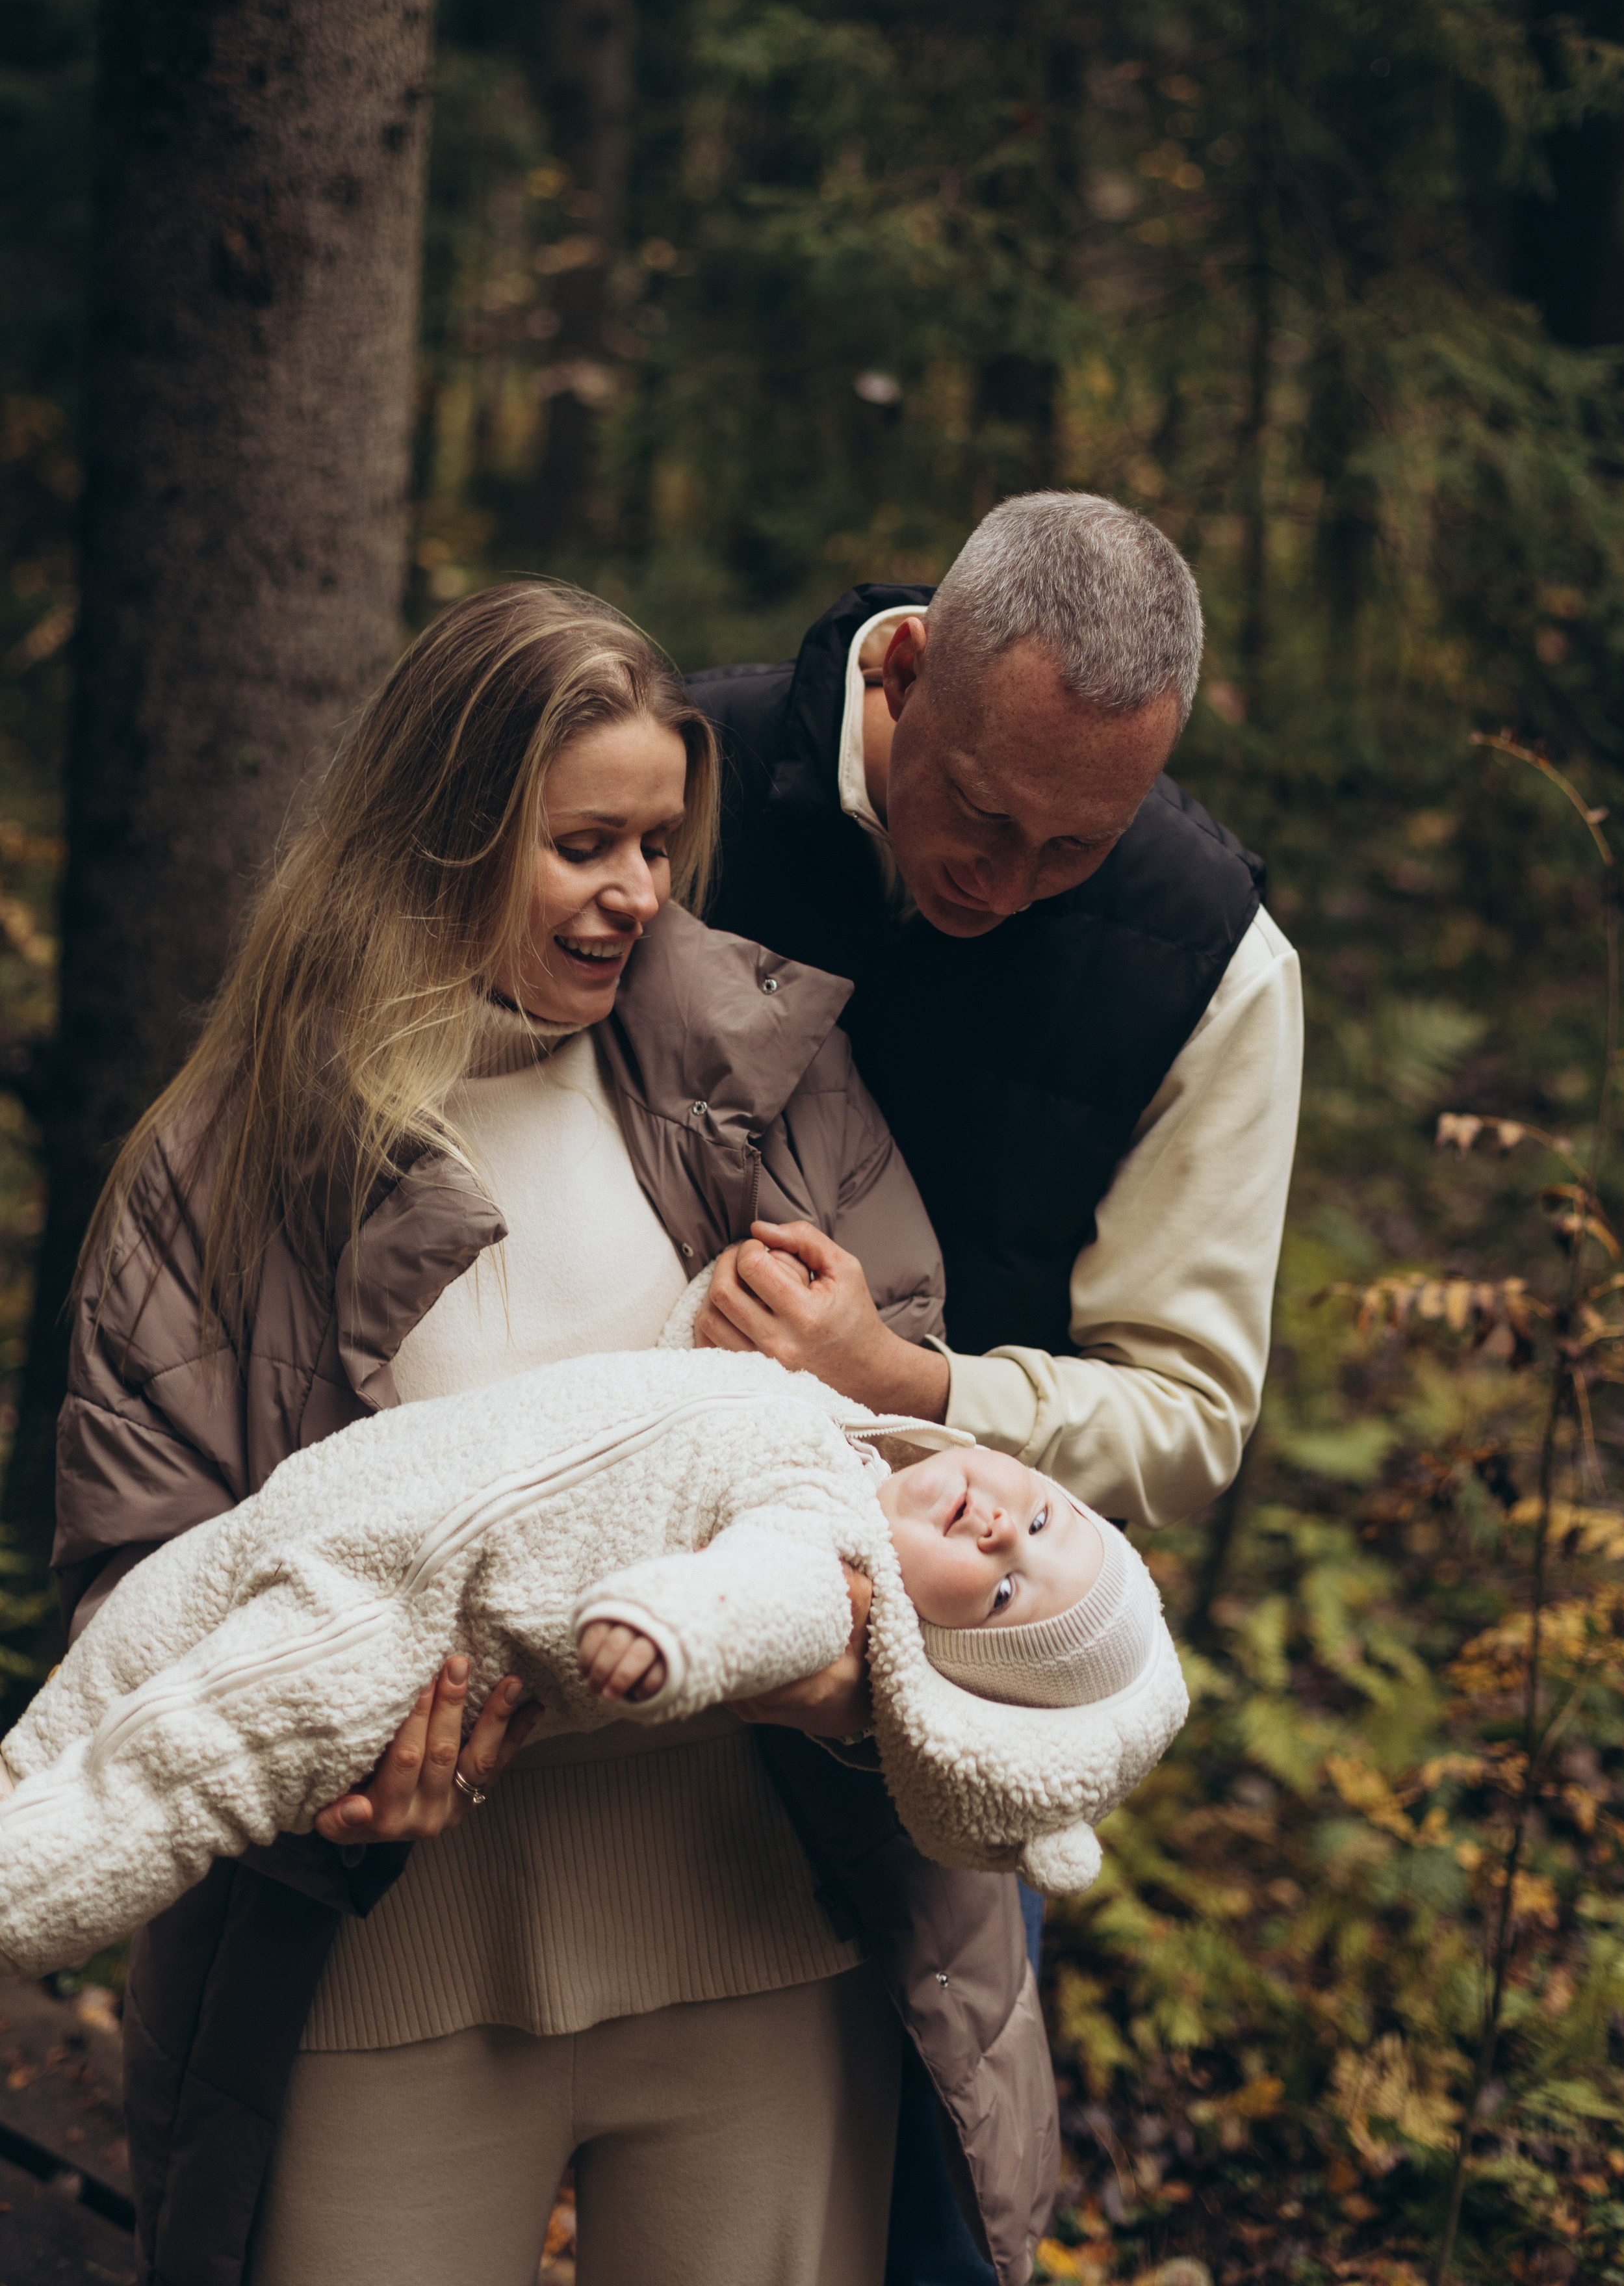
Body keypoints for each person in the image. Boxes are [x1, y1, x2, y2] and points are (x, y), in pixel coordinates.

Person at [50, 582, 1053, 2286]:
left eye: (661, 842)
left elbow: (929, 1505)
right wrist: (319, 1787)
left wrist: (852, 1663)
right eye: (584, 844)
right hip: (378, 1978)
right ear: (441, 833)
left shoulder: (773, 1077)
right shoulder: (228, 1165)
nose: (637, 894)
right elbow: (136, 1593)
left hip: (766, 1951)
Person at [686, 489, 1304, 2280]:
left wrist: (918, 1384)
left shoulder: (1214, 962)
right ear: (911, 666)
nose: (1006, 883)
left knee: (932, 2223)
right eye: (981, 813)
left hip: (935, 1705)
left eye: (1071, 849)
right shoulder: (678, 768)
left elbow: (1188, 1413)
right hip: (618, 1603)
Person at [2, 1354, 1185, 1979]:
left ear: (931, 1649)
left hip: (388, 1628)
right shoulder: (829, 1422)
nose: (1000, 1537)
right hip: (330, 1510)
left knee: (162, 1778)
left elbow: (756, 1599)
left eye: (1003, 1594)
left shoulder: (828, 1552)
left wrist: (673, 1631)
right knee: (103, 1686)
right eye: (1043, 1524)